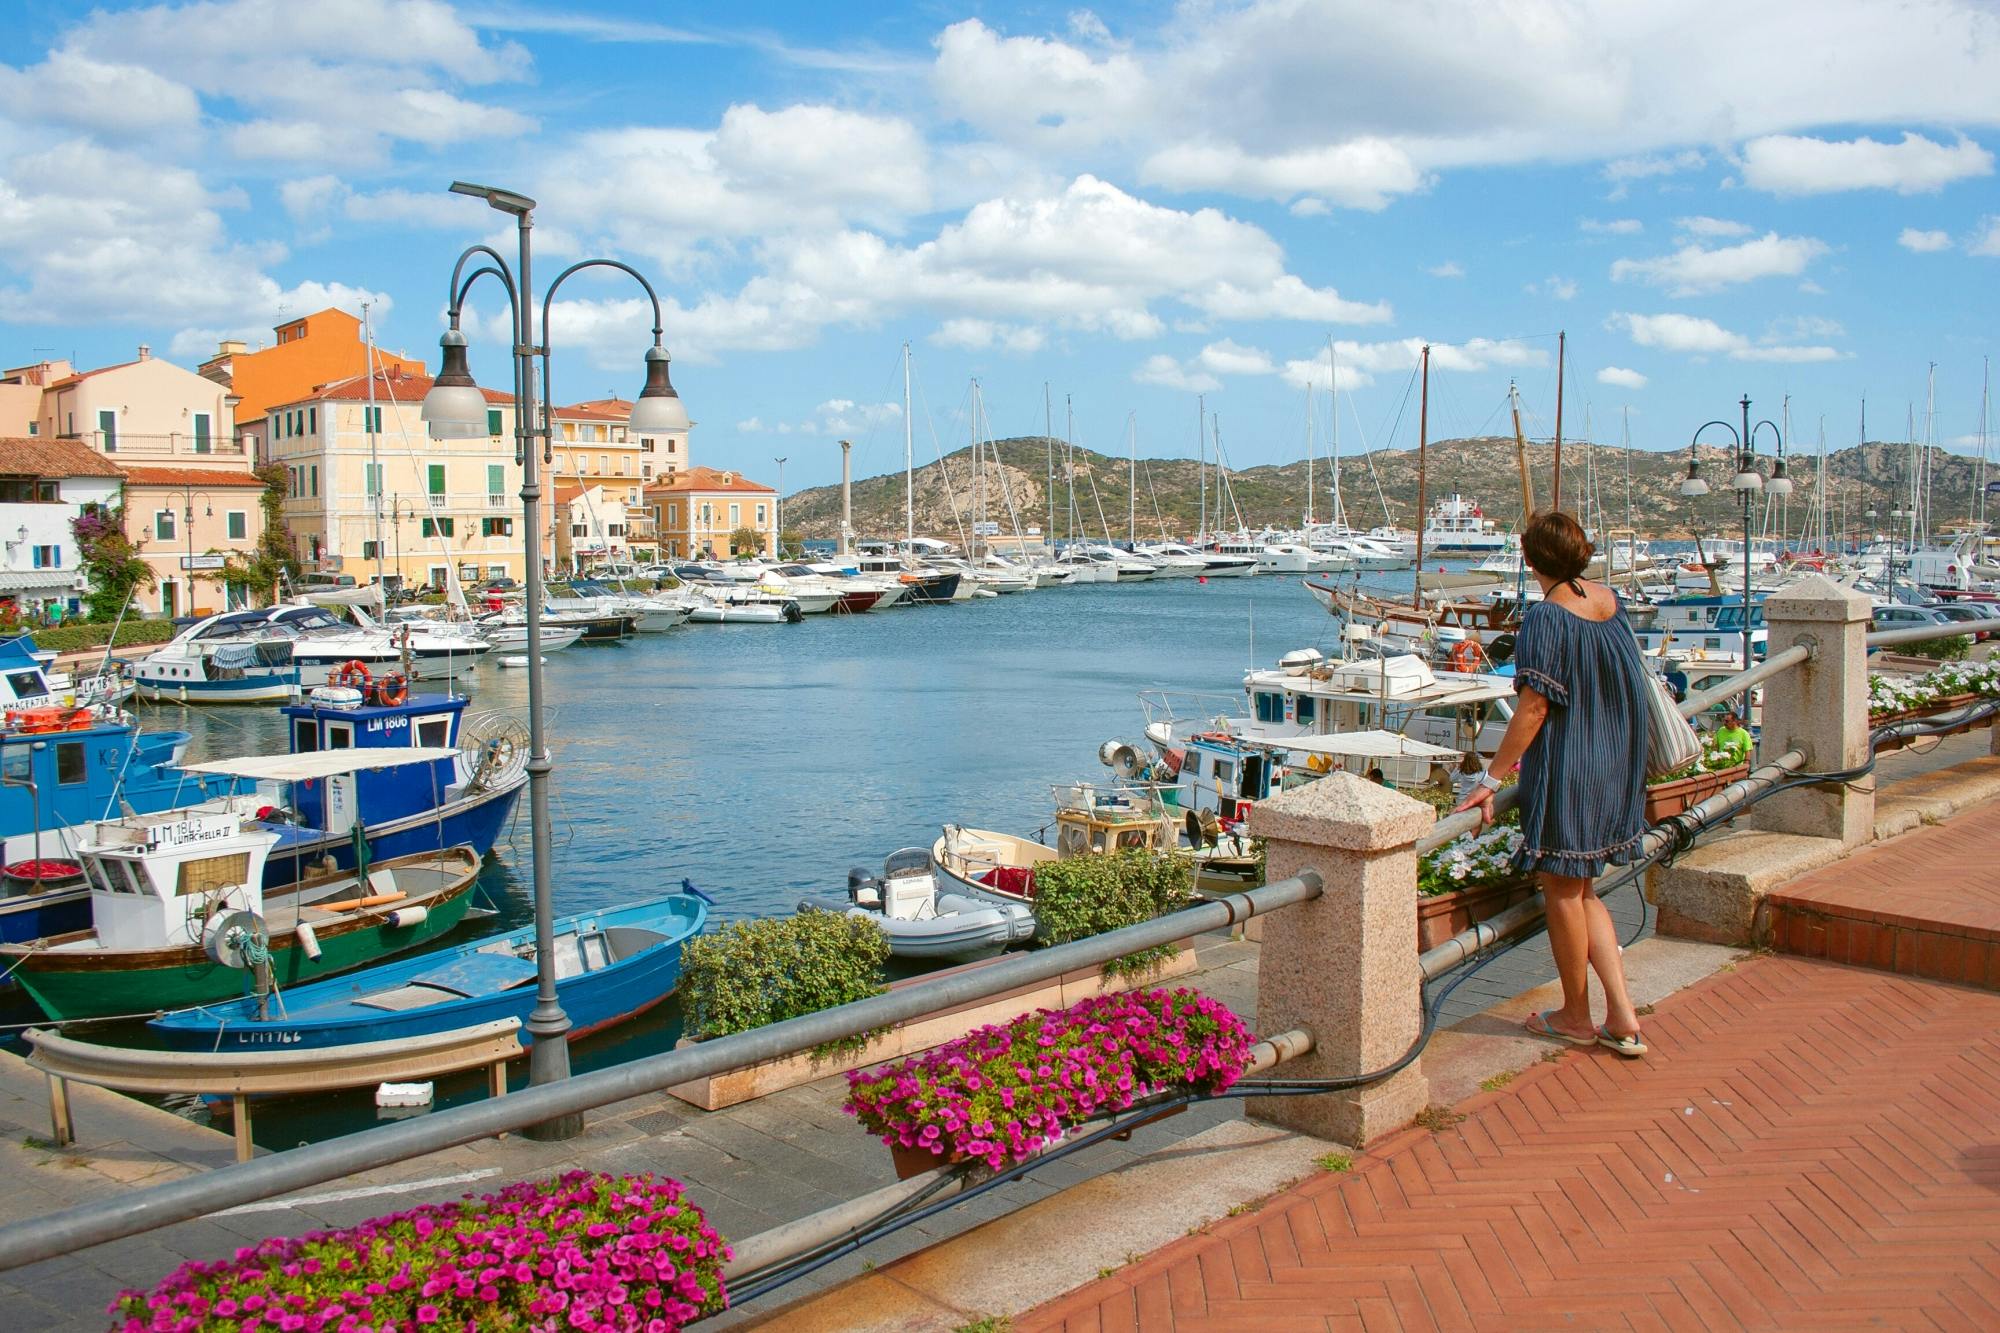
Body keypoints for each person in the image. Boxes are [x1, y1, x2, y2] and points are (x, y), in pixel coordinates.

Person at [1453, 510, 1649, 1057]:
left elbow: (1533, 708)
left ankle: (1576, 1015)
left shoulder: (1545, 619)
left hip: (1572, 769)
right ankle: (1623, 1014)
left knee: (1562, 891)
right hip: (1617, 764)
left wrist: (1491, 779)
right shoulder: (1609, 602)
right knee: (1584, 890)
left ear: (1529, 558)